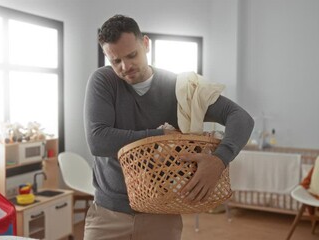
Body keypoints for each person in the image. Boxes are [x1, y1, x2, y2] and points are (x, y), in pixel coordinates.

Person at [83, 14, 254, 240]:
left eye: (132, 55)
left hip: (162, 214)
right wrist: (160, 135)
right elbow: (98, 141)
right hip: (108, 215)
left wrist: (220, 159)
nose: (125, 67)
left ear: (145, 44)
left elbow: (241, 117)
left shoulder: (180, 88)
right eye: (116, 61)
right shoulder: (103, 81)